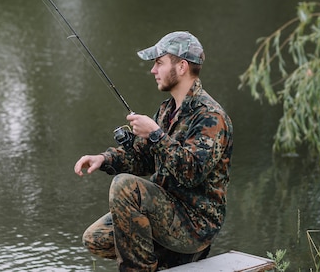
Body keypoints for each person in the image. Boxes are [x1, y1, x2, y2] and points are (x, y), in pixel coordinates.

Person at [73, 31, 233, 271]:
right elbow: (143, 159)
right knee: (96, 239)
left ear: (181, 67)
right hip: (167, 216)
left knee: (124, 186)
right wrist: (104, 159)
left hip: (195, 227)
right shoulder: (168, 110)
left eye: (159, 63)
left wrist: (156, 134)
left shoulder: (210, 116)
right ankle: (167, 263)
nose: (153, 70)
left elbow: (191, 173)